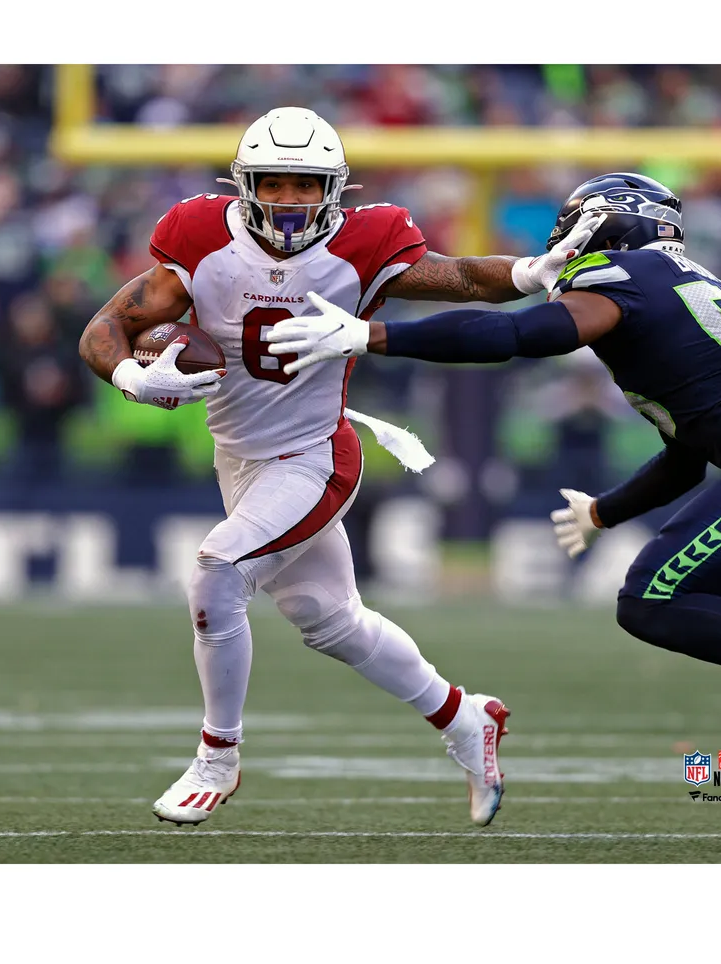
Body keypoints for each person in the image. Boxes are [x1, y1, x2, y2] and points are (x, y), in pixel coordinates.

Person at [78, 107, 598, 827]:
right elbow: (105, 328)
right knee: (329, 621)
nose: (290, 197)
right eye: (275, 182)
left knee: (217, 572)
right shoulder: (199, 237)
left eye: (306, 183)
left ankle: (216, 757)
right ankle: (465, 717)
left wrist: (524, 271)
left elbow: (459, 278)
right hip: (240, 458)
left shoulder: (365, 240)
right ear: (243, 185)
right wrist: (135, 380)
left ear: (336, 188)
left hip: (314, 456)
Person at [269, 172, 721, 695]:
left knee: (652, 597)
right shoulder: (680, 287)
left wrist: (374, 334)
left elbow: (518, 333)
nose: (561, 238)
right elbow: (687, 457)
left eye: (572, 223)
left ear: (609, 227)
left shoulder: (624, 276)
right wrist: (604, 511)